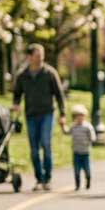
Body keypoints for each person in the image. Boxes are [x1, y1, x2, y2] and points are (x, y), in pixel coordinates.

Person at [11, 44, 66, 191]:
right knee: (34, 149)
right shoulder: (23, 75)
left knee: (46, 144)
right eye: (37, 55)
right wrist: (16, 104)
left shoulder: (49, 73)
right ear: (29, 57)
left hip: (47, 113)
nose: (41, 57)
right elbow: (17, 93)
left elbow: (59, 95)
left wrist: (63, 114)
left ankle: (47, 178)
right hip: (31, 115)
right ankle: (38, 179)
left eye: (42, 55)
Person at [64, 105, 96, 191]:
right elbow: (67, 132)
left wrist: (92, 140)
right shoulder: (73, 127)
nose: (79, 118)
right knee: (76, 171)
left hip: (86, 152)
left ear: (84, 116)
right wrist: (63, 126)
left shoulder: (87, 126)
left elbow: (92, 135)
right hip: (76, 152)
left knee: (87, 170)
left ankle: (88, 180)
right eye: (77, 116)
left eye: (81, 116)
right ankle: (77, 185)